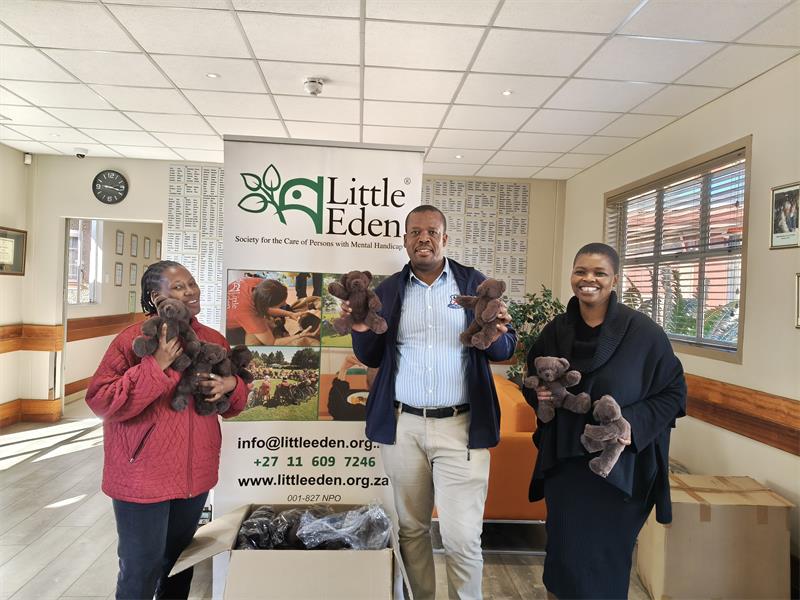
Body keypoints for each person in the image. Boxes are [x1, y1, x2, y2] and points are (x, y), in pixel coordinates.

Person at [345, 205, 516, 600]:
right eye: (415, 232)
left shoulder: (474, 284)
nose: (424, 238)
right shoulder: (387, 291)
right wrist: (358, 328)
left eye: (432, 232)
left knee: (461, 538)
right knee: (412, 530)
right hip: (403, 427)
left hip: (461, 428)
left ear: (445, 239)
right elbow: (371, 355)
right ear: (405, 240)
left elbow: (504, 348)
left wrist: (498, 331)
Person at [522, 243, 686, 600]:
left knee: (603, 566)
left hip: (619, 471)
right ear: (572, 277)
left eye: (599, 273)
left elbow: (674, 393)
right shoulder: (556, 330)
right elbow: (533, 380)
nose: (588, 279)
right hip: (566, 466)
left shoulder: (643, 332)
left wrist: (628, 425)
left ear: (614, 279)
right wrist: (542, 397)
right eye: (581, 271)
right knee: (563, 559)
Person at [85, 261, 249, 600]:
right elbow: (101, 401)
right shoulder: (132, 340)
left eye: (191, 283)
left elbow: (234, 406)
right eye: (178, 287)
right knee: (140, 568)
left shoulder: (213, 340)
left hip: (195, 474)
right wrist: (154, 365)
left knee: (179, 565)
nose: (190, 291)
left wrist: (231, 384)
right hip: (142, 476)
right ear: (155, 297)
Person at [226, 276, 314, 346]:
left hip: (237, 312)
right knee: (257, 342)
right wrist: (300, 336)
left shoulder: (259, 283)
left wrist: (290, 314)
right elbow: (272, 342)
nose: (285, 303)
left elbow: (265, 307)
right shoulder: (249, 315)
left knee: (284, 309)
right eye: (281, 304)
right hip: (230, 330)